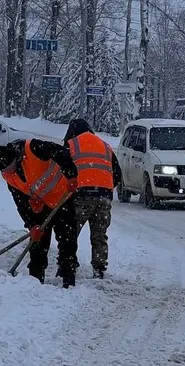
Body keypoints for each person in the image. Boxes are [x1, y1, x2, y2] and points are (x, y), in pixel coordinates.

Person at [0, 139, 80, 288]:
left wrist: (71, 174)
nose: (8, 171)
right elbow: (20, 203)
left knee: (67, 239)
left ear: (15, 158)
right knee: (38, 242)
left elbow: (60, 152)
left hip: (63, 197)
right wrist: (32, 225)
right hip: (42, 205)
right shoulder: (8, 176)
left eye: (9, 167)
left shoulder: (32, 148)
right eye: (4, 170)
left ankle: (68, 278)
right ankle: (35, 280)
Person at [63, 118, 121, 279]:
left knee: (71, 232)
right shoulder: (105, 145)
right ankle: (99, 267)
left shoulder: (72, 144)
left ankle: (68, 264)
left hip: (81, 196)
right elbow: (117, 174)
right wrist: (105, 187)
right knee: (99, 234)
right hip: (104, 197)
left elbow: (63, 171)